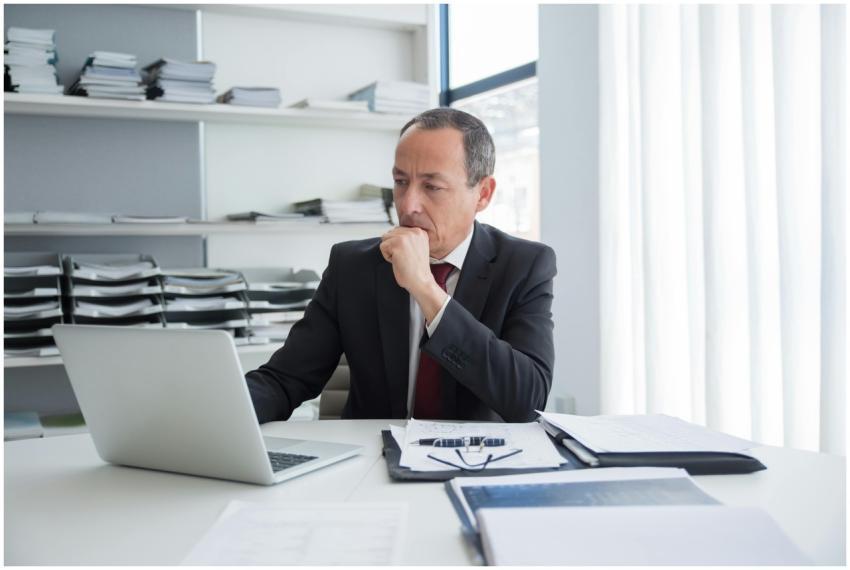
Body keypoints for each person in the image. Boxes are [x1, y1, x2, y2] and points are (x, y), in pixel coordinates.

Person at [246, 107, 556, 422]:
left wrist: (426, 289)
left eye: (432, 187)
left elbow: (527, 400)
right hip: (372, 449)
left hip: (476, 451)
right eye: (400, 181)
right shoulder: (352, 267)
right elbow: (284, 380)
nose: (408, 205)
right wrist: (225, 410)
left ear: (483, 194)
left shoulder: (524, 266)